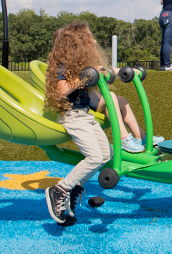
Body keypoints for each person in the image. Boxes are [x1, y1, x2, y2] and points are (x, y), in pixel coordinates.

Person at [42, 21, 113, 226]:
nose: (94, 41)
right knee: (94, 157)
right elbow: (63, 90)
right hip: (72, 115)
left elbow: (98, 74)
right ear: (77, 44)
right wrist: (85, 76)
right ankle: (60, 190)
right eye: (89, 38)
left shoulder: (80, 66)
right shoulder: (64, 66)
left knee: (106, 155)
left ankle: (74, 188)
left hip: (85, 115)